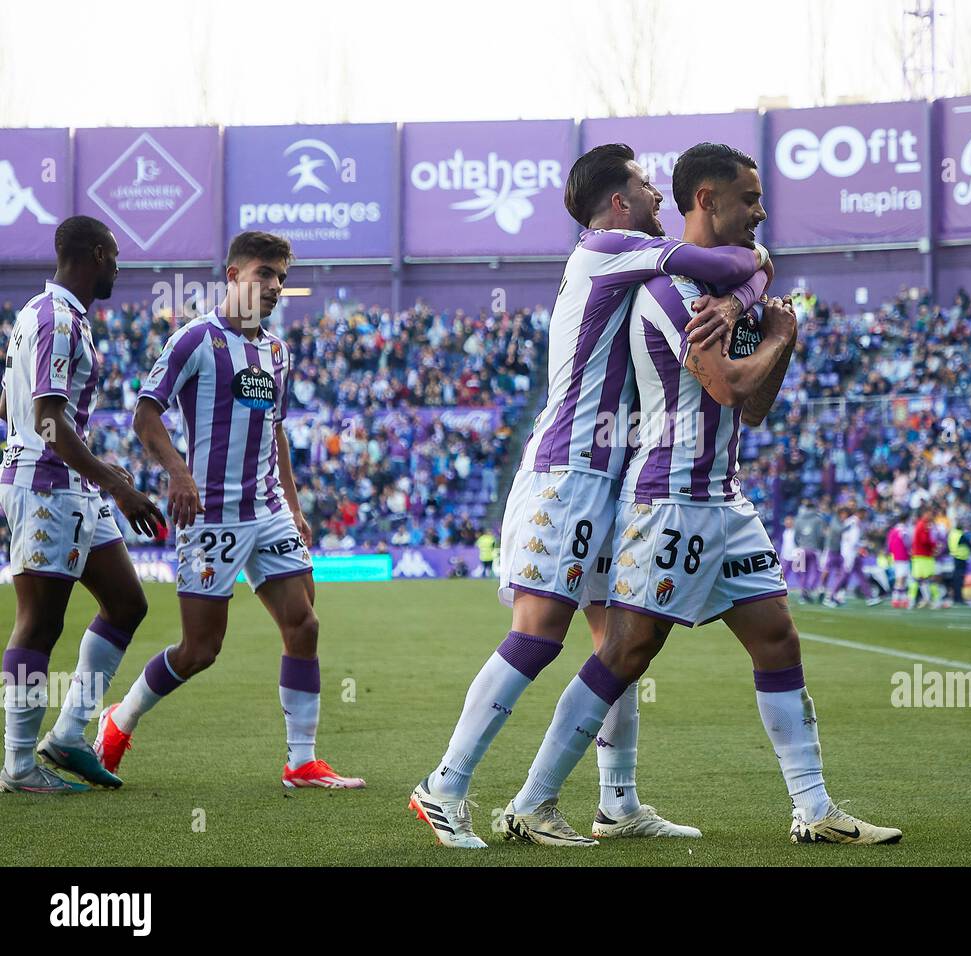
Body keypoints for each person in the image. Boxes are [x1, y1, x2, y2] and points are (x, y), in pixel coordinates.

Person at [497, 143, 901, 848]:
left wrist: (773, 332)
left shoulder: (731, 280)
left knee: (776, 638)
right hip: (670, 498)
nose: (761, 211)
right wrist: (779, 336)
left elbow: (755, 410)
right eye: (749, 199)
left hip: (726, 497)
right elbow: (730, 386)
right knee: (626, 652)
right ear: (707, 200)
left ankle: (814, 810)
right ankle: (532, 801)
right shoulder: (667, 292)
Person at [409, 143, 771, 848]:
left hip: (613, 477)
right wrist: (748, 287)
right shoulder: (608, 247)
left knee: (615, 646)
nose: (657, 196)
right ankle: (444, 785)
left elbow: (750, 266)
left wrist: (745, 291)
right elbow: (741, 263)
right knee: (538, 636)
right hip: (569, 471)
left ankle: (618, 802)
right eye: (644, 185)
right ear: (615, 202)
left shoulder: (636, 253)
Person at [96, 231, 365, 790]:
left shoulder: (277, 351)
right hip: (211, 516)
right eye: (265, 274)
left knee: (304, 624)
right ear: (234, 275)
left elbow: (277, 432)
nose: (274, 287)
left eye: (282, 278)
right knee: (201, 649)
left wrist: (293, 507)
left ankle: (301, 761)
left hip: (266, 510)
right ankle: (119, 720)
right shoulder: (194, 340)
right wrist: (179, 472)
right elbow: (146, 417)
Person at [0, 216, 164, 794]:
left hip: (69, 482)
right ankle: (19, 766)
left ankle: (68, 736)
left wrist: (95, 473)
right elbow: (46, 419)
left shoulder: (35, 315)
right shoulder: (61, 320)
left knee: (126, 603)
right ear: (95, 253)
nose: (118, 266)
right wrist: (116, 483)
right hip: (46, 484)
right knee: (39, 622)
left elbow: (7, 405)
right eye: (115, 255)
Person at [947, 512, 971, 606]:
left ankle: (956, 598)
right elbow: (970, 545)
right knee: (959, 581)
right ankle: (959, 598)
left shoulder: (952, 533)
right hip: (961, 558)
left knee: (956, 580)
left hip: (955, 557)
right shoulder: (961, 535)